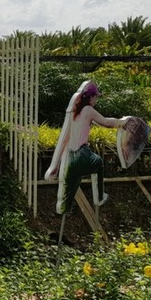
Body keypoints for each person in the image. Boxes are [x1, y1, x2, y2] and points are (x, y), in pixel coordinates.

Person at [44, 81, 129, 214]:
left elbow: (64, 139)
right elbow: (106, 122)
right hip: (81, 153)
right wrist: (122, 123)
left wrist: (54, 166)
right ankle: (99, 197)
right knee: (98, 162)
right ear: (90, 97)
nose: (96, 100)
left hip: (69, 158)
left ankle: (63, 209)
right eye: (95, 97)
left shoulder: (72, 113)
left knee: (69, 189)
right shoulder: (88, 110)